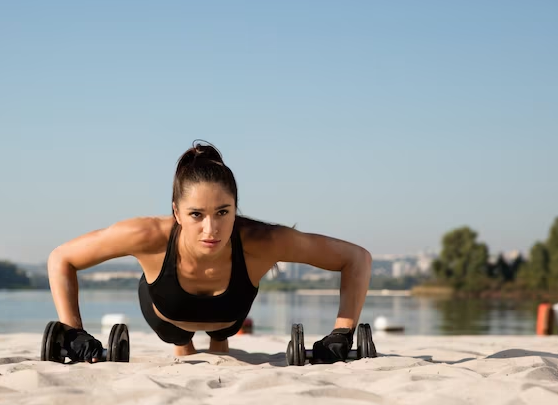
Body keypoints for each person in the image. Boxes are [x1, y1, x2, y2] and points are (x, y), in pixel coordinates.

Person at [47, 141, 372, 363]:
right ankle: (185, 345)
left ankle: (219, 343)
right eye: (196, 215)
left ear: (235, 209)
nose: (210, 229)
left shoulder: (264, 240)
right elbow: (62, 258)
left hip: (229, 315)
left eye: (222, 212)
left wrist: (342, 333)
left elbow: (356, 258)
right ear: (176, 212)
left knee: (222, 338)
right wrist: (74, 331)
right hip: (166, 315)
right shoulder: (148, 235)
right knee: (180, 341)